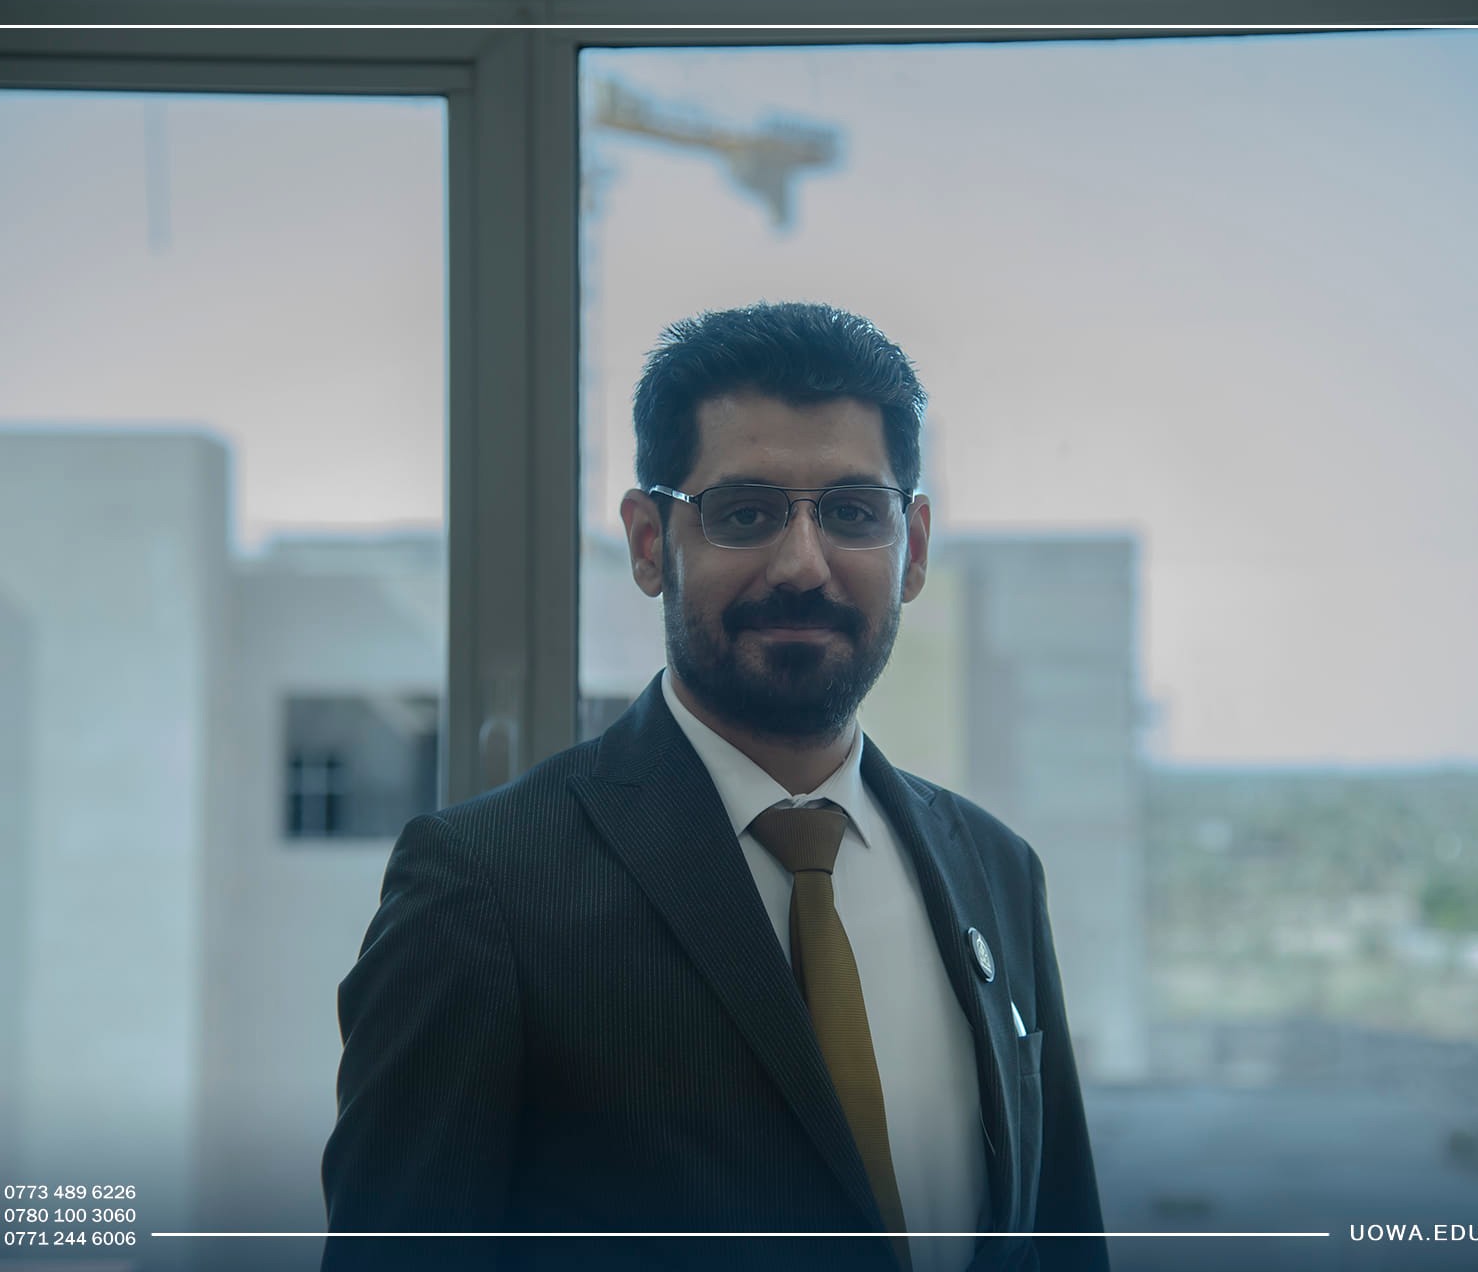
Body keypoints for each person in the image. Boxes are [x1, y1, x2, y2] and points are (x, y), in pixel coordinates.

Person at [321, 303, 1108, 1272]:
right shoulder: (483, 888)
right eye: (744, 512)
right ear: (649, 542)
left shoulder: (996, 870)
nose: (803, 565)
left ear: (912, 546)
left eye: (853, 512)